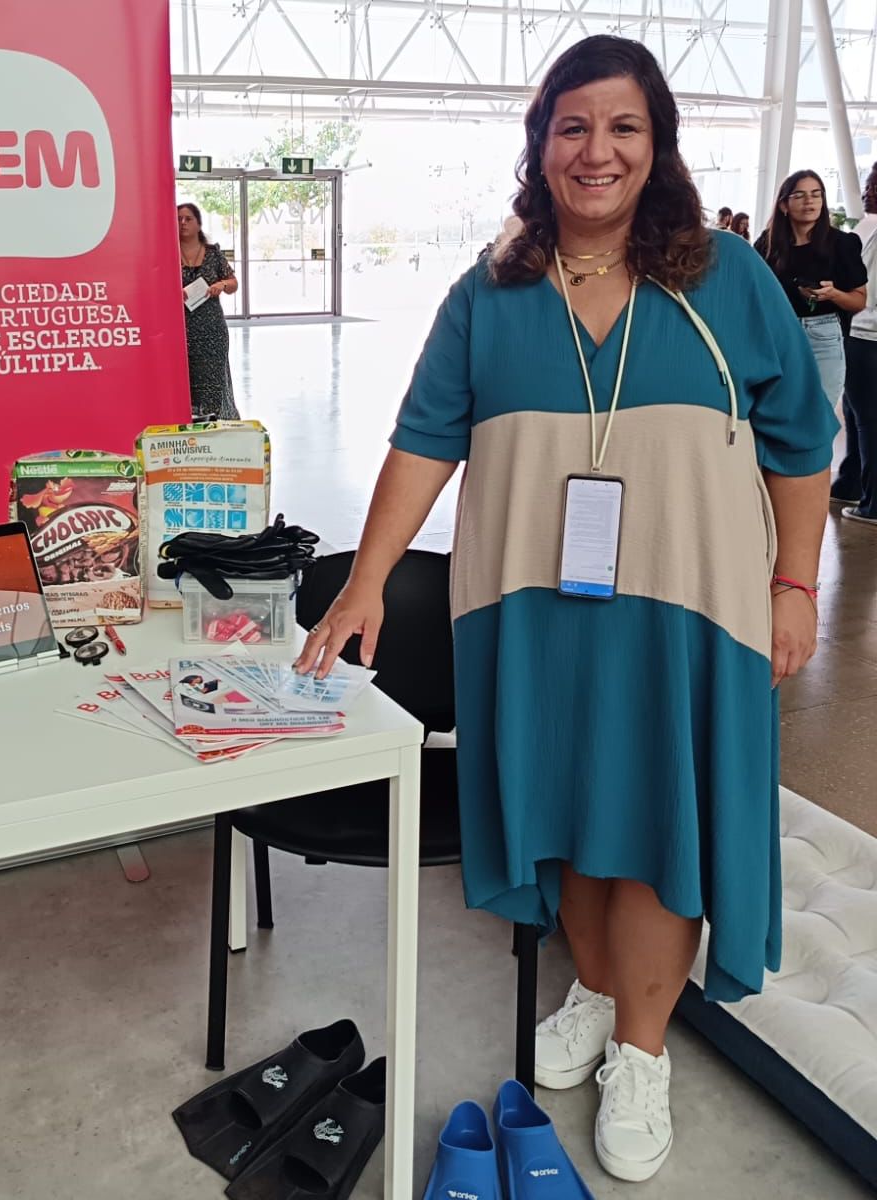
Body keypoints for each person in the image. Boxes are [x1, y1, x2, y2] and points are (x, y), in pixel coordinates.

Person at [296, 34, 835, 1184]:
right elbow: (423, 440)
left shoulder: (725, 280)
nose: (598, 151)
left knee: (657, 824)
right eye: (573, 126)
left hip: (688, 612)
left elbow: (800, 445)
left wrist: (794, 584)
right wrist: (364, 580)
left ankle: (643, 1048)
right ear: (540, 145)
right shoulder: (490, 293)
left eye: (624, 127)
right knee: (572, 818)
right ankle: (596, 986)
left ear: (659, 145)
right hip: (533, 610)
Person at [753, 171, 867, 441]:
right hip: (778, 335)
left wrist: (832, 295)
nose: (810, 201)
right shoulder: (768, 244)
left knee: (817, 422)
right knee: (777, 418)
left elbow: (859, 301)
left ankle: (814, 469)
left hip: (824, 334)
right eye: (800, 195)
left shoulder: (842, 243)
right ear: (784, 204)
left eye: (816, 194)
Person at [178, 203, 240, 420]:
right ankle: (191, 424)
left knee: (214, 381)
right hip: (181, 330)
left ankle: (216, 424)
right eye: (178, 219)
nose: (182, 223)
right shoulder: (167, 253)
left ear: (198, 223)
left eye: (188, 219)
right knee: (186, 382)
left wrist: (221, 285)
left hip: (212, 329)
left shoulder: (213, 253)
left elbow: (233, 283)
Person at [840, 162, 877, 525]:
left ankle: (872, 502)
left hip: (863, 333)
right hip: (865, 334)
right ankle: (850, 482)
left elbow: (865, 292)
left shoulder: (870, 232)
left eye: (871, 185)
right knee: (855, 412)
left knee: (866, 419)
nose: (866, 191)